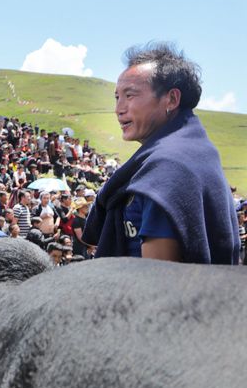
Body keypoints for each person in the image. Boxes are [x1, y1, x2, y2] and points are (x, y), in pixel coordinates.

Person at [84, 43, 240, 263]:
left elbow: (158, 279)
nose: (119, 108)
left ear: (172, 99)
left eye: (130, 95)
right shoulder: (196, 153)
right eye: (117, 97)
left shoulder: (168, 168)